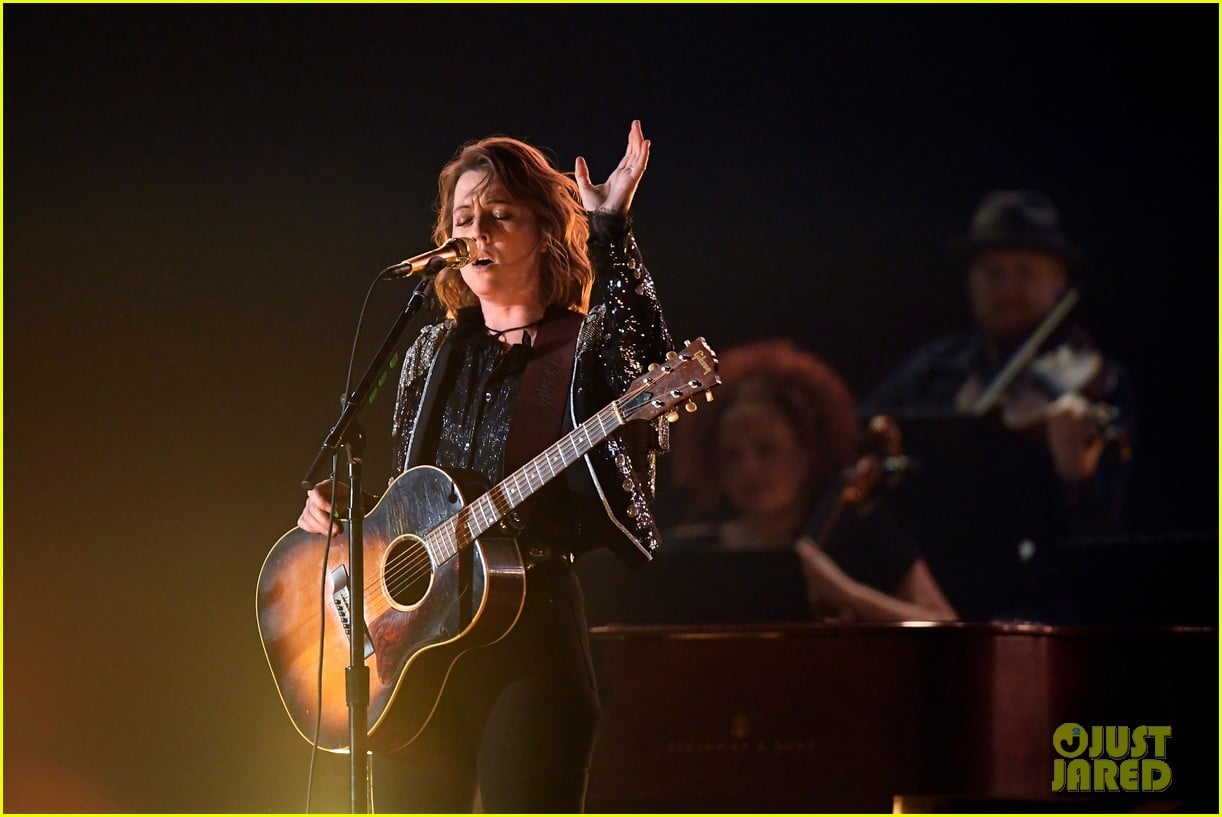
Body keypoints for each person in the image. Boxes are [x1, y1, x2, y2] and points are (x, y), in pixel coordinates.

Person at [296, 120, 672, 812]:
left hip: (529, 645)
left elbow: (644, 367)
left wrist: (611, 228)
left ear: (544, 232)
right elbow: (414, 497)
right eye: (463, 218)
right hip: (416, 654)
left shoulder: (579, 348)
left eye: (498, 216)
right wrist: (346, 515)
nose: (476, 232)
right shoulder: (431, 351)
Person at [860, 190, 1136, 623]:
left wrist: (1078, 477)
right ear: (971, 281)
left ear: (1058, 280)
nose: (1008, 289)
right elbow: (858, 432)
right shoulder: (933, 370)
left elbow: (1106, 535)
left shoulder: (1101, 384)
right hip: (928, 597)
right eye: (992, 273)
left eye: (1026, 273)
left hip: (1044, 610)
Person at [666, 339, 956, 623]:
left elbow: (946, 626)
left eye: (767, 449)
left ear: (807, 450)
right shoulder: (695, 551)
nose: (750, 469)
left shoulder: (865, 538)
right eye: (732, 456)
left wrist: (845, 593)